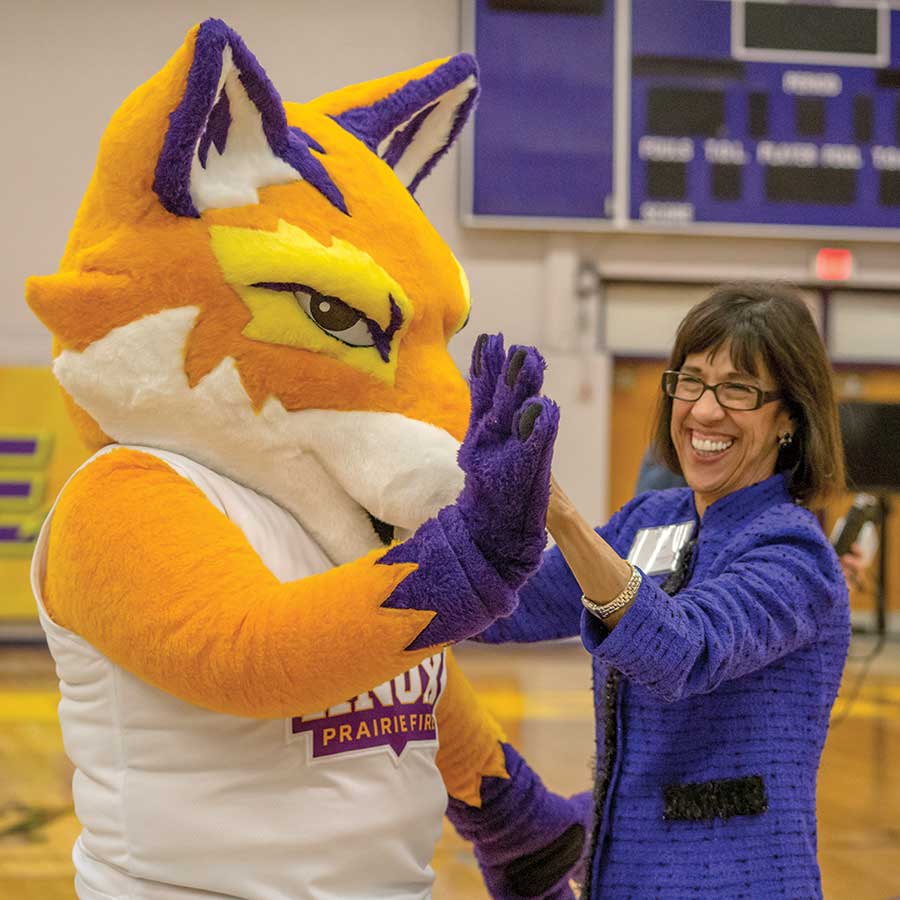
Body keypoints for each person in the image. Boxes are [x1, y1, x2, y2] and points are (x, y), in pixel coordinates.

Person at [477, 282, 850, 898]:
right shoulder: (650, 519)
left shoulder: (795, 555)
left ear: (789, 416)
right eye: (692, 381)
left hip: (742, 882)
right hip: (622, 875)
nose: (704, 411)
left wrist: (559, 511)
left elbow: (680, 649)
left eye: (738, 389)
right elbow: (508, 602)